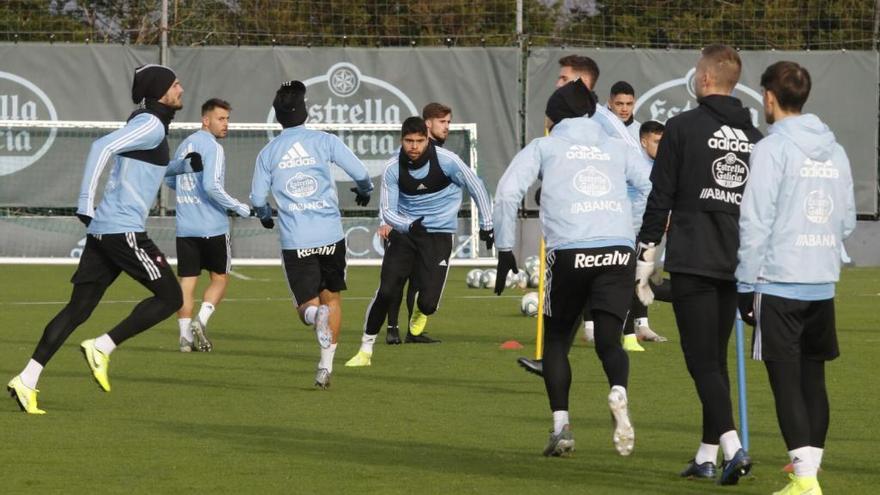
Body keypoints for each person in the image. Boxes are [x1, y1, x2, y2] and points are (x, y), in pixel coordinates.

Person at [7, 64, 200, 413]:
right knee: (172, 298)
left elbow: (144, 167)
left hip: (106, 231)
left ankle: (27, 379)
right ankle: (103, 346)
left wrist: (183, 167)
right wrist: (84, 201)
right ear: (160, 91)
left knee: (77, 309)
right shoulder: (151, 124)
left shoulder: (147, 123)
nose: (181, 88)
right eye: (175, 84)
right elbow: (100, 147)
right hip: (122, 230)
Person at [495, 77, 651, 457]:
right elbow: (649, 186)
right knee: (610, 341)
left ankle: (561, 428)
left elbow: (507, 192)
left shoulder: (545, 146)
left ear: (554, 118)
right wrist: (629, 230)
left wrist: (504, 248)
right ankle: (618, 390)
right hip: (617, 250)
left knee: (556, 342)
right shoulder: (616, 146)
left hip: (569, 251)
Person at [636, 44, 761, 484]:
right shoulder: (756, 137)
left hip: (694, 258)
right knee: (716, 361)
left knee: (701, 361)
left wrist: (646, 251)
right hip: (739, 261)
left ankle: (732, 446)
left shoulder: (683, 127)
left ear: (705, 79)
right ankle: (707, 455)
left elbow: (661, 195)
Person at [736, 61, 855, 495]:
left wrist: (745, 283)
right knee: (813, 379)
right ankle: (810, 473)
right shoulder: (836, 150)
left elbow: (755, 221)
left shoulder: (771, 149)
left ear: (769, 97)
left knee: (786, 382)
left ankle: (805, 481)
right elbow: (845, 222)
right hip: (821, 280)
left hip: (778, 280)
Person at [250, 80, 373, 390]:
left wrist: (265, 216)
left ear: (277, 117)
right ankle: (325, 367)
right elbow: (360, 172)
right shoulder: (324, 141)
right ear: (305, 112)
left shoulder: (268, 152)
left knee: (307, 306)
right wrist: (365, 190)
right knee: (333, 299)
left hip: (297, 241)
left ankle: (314, 316)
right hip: (331, 236)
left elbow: (256, 198)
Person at [346, 116, 494, 367]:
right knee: (386, 291)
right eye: (408, 141)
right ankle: (365, 349)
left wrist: (487, 226)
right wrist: (407, 225)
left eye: (419, 141)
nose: (413, 146)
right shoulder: (393, 167)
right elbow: (387, 211)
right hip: (405, 234)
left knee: (427, 304)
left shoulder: (447, 161)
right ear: (401, 140)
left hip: (438, 235)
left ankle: (419, 313)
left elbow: (476, 186)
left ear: (427, 139)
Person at [165, 98, 251, 353]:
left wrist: (183, 189)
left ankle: (184, 339)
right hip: (213, 226)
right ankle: (200, 321)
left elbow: (169, 177)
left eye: (227, 119)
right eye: (221, 119)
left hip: (186, 228)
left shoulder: (185, 144)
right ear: (206, 120)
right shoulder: (213, 147)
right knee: (220, 278)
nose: (226, 124)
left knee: (187, 282)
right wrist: (239, 206)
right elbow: (212, 187)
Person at [380, 102, 454, 345]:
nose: (447, 127)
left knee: (420, 281)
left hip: (428, 230)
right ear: (428, 124)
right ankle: (392, 328)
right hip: (402, 226)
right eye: (443, 122)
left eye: (449, 122)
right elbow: (392, 184)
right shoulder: (403, 154)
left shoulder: (440, 155)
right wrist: (387, 221)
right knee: (397, 279)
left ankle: (414, 331)